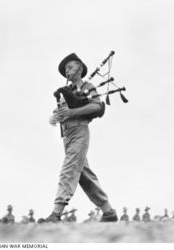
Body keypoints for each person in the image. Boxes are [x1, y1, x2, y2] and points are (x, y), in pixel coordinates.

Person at [41, 53, 118, 223]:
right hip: (67, 136)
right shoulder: (67, 93)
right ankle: (108, 212)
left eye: (70, 67)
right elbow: (60, 112)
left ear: (80, 68)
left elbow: (97, 105)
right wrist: (53, 118)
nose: (67, 71)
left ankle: (56, 212)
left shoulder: (87, 86)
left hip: (80, 132)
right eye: (65, 69)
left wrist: (72, 112)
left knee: (69, 168)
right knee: (84, 175)